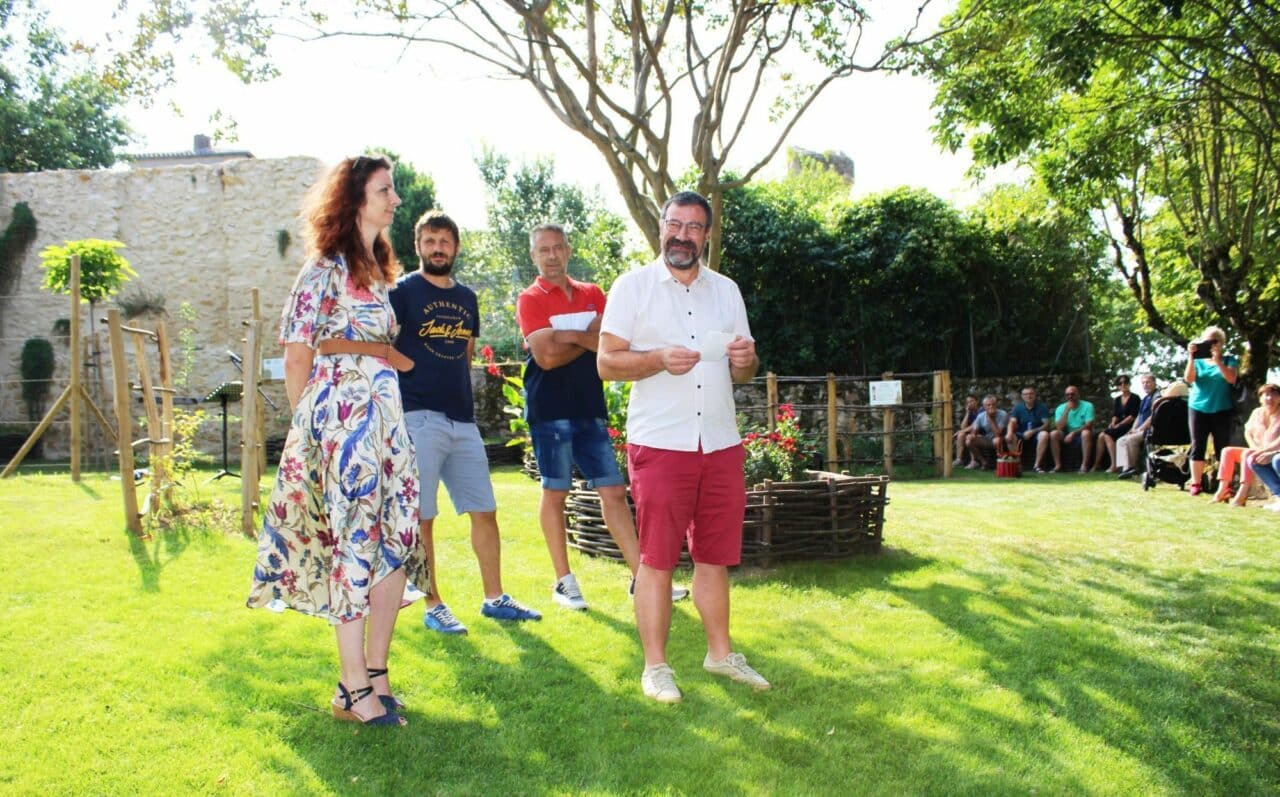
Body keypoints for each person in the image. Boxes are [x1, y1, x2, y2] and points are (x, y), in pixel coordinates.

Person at [246, 155, 428, 727]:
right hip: (343, 426)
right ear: (353, 199)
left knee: (396, 538)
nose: (395, 201)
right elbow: (297, 355)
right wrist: (314, 435)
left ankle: (377, 672)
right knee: (354, 544)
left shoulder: (377, 273)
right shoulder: (322, 268)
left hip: (385, 424)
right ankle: (351, 689)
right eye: (384, 190)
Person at [598, 190, 769, 703]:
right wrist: (656, 360)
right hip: (662, 442)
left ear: (707, 236)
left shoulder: (727, 291)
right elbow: (607, 362)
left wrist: (744, 359)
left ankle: (720, 655)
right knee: (657, 558)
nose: (683, 235)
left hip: (719, 442)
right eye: (675, 224)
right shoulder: (632, 288)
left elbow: (746, 371)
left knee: (715, 557)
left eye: (695, 228)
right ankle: (656, 667)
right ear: (661, 227)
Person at [514, 222, 688, 610]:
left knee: (612, 491)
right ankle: (564, 582)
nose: (552, 255)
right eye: (544, 250)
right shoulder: (530, 299)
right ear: (534, 256)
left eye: (558, 247)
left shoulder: (593, 294)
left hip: (589, 408)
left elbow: (612, 342)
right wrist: (584, 335)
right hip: (549, 410)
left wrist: (566, 335)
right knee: (555, 492)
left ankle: (641, 580)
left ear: (568, 250)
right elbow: (545, 356)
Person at [391, 210, 540, 634]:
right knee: (424, 517)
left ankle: (494, 597)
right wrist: (411, 372)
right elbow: (382, 346)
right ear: (418, 245)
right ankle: (433, 603)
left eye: (445, 241)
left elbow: (466, 353)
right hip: (418, 417)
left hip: (463, 420)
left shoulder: (467, 299)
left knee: (484, 510)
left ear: (455, 247)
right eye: (430, 241)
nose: (438, 248)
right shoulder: (402, 292)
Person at [1184, 325, 1240, 496]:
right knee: (1197, 445)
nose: (1211, 344)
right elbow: (1189, 379)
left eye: (1215, 341)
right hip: (1198, 407)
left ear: (1222, 343)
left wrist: (1217, 361)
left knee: (1222, 447)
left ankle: (1226, 484)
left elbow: (1231, 379)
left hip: (1221, 408)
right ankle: (1196, 483)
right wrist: (1191, 357)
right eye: (1208, 341)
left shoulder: (1230, 360)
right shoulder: (1198, 361)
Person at [1213, 383, 1280, 505]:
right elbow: (1248, 432)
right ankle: (1223, 490)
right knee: (1227, 451)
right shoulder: (1257, 412)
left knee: (1249, 455)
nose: (1270, 398)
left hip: (1273, 452)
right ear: (1260, 398)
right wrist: (1255, 447)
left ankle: (1243, 492)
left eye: (1274, 395)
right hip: (1258, 450)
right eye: (1266, 395)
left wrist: (1263, 451)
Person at [1092, 375, 1141, 473]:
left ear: (1129, 384)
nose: (1123, 385)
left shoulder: (1135, 398)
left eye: (1125, 382)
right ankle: (1097, 464)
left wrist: (1119, 425)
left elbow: (1132, 416)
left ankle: (1114, 464)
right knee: (1101, 435)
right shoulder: (1118, 399)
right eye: (1120, 383)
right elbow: (1115, 414)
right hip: (1119, 425)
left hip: (1129, 425)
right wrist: (1113, 423)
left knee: (1107, 434)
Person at [1116, 373, 1159, 479]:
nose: (1145, 385)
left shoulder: (1157, 397)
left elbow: (1152, 417)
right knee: (1121, 440)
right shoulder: (1145, 399)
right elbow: (1139, 416)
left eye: (1148, 382)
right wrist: (1133, 429)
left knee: (1130, 440)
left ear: (1154, 383)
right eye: (1143, 383)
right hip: (1140, 429)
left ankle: (1133, 468)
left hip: (1151, 430)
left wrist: (1140, 429)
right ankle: (1125, 469)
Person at [1049, 386, 1094, 473]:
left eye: (1072, 394)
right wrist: (1066, 411)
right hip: (1066, 433)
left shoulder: (1088, 406)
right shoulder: (1061, 408)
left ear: (1078, 395)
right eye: (1067, 395)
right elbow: (1059, 427)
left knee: (1086, 433)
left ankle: (1084, 466)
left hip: (1081, 432)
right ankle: (1058, 465)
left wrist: (1073, 433)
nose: (1070, 396)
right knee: (1053, 434)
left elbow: (1089, 425)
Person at [1005, 386, 1050, 470]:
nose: (1028, 396)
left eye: (1031, 394)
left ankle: (1037, 466)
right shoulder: (1018, 407)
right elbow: (1012, 422)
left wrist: (1033, 431)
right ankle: (1017, 464)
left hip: (1036, 433)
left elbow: (1047, 425)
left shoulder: (1042, 407)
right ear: (1022, 396)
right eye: (1025, 394)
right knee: (1010, 437)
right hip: (1021, 433)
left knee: (1044, 434)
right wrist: (1009, 433)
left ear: (1035, 395)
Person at [963, 394, 1008, 469]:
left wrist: (991, 418)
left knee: (997, 440)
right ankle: (983, 462)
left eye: (993, 404)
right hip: (987, 439)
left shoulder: (1003, 414)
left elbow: (998, 434)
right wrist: (972, 435)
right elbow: (974, 430)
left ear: (996, 405)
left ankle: (1000, 464)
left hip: (1000, 438)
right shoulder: (981, 416)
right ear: (984, 407)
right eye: (988, 405)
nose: (991, 406)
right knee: (968, 441)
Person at [952, 394, 979, 467]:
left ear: (976, 401)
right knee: (961, 435)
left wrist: (961, 431)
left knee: (967, 436)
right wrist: (967, 413)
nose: (970, 403)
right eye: (968, 402)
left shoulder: (981, 411)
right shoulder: (970, 413)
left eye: (971, 401)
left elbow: (974, 425)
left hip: (981, 433)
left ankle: (974, 461)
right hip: (973, 433)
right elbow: (962, 427)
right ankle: (959, 459)